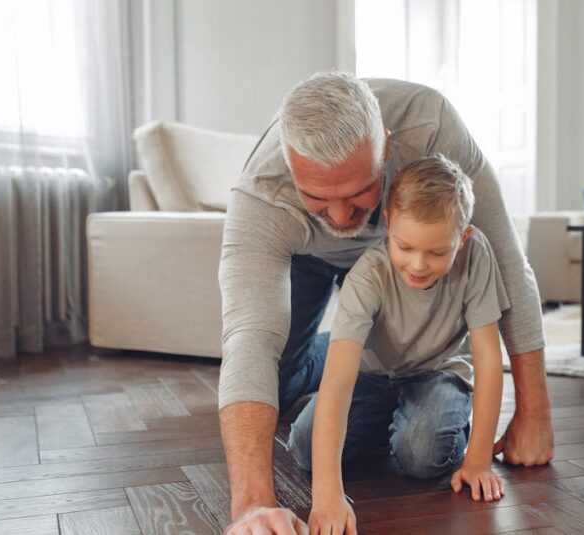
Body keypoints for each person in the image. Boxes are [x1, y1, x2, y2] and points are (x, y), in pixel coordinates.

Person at [219, 72, 554, 535]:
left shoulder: (431, 127)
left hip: (397, 256)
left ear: (388, 148)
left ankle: (372, 358)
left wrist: (534, 413)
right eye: (317, 197)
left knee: (420, 444)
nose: (340, 217)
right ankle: (336, 348)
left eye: (357, 192)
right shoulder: (262, 195)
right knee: (276, 383)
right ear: (292, 171)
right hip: (310, 259)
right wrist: (253, 504)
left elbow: (508, 263)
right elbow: (249, 338)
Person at [290, 156, 507, 534]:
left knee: (421, 458)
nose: (418, 265)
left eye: (438, 252)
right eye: (405, 247)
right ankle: (390, 423)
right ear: (388, 221)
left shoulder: (477, 255)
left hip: (438, 373)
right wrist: (327, 495)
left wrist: (479, 458)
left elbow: (489, 359)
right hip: (373, 375)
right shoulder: (367, 276)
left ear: (463, 237)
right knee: (306, 448)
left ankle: (438, 425)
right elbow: (339, 381)